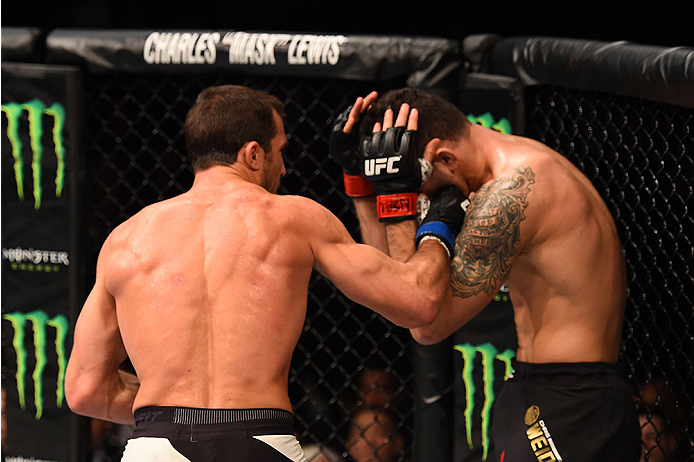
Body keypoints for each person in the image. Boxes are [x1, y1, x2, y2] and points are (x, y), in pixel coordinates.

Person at [64, 85, 462, 462]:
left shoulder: (127, 239)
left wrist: (169, 409)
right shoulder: (294, 218)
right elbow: (417, 303)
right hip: (259, 438)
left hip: (156, 446)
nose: (285, 167)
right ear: (253, 154)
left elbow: (84, 390)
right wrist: (439, 224)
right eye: (280, 150)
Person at [329, 87, 640, 461]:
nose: (422, 204)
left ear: (444, 158)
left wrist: (403, 203)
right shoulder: (492, 171)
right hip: (541, 392)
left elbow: (424, 320)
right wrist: (362, 181)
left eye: (420, 190)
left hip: (571, 406)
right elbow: (393, 286)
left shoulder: (513, 190)